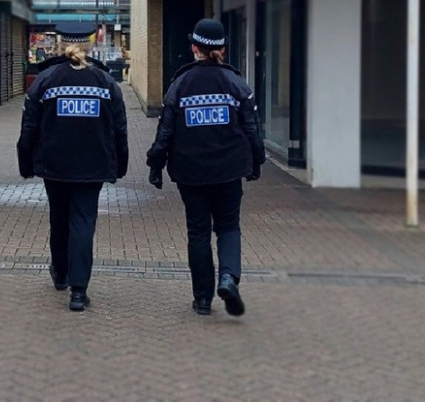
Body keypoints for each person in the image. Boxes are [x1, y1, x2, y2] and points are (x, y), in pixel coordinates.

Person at [145, 18, 265, 317]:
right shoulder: (236, 84)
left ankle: (202, 299)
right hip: (228, 170)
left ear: (194, 47)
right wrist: (256, 161)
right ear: (222, 48)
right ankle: (228, 277)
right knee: (228, 227)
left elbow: (166, 132)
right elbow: (252, 129)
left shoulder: (180, 85)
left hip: (191, 172)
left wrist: (156, 164)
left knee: (198, 232)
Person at [18, 40, 129, 312]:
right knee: (83, 222)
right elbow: (120, 130)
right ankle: (79, 291)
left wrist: (26, 163)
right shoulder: (106, 82)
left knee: (59, 217)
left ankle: (61, 273)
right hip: (93, 166)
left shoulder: (46, 80)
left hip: (55, 165)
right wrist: (120, 164)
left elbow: (28, 127)